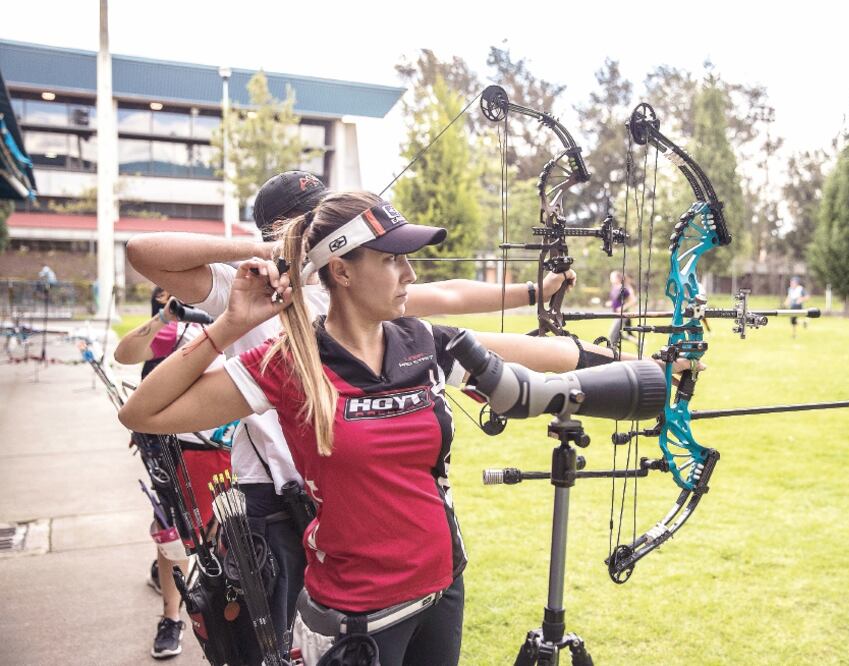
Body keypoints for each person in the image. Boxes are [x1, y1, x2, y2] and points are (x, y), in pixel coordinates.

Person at [119, 191, 699, 666]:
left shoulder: (424, 341)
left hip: (440, 586)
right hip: (357, 614)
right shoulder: (286, 364)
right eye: (393, 258)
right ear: (341, 270)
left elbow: (526, 362)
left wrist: (639, 371)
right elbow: (142, 412)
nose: (408, 272)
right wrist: (228, 325)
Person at [114, 289, 231, 660]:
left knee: (235, 540)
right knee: (175, 536)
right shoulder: (183, 329)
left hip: (242, 450)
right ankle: (171, 617)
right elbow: (124, 354)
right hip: (185, 450)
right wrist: (165, 317)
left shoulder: (254, 322)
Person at [605, 270, 637, 347]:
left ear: (618, 278)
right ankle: (638, 342)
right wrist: (611, 303)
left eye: (612, 277)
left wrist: (623, 307)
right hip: (616, 315)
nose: (610, 278)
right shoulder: (614, 287)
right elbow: (616, 300)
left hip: (622, 315)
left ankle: (612, 352)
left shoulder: (623, 288)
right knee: (618, 335)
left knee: (612, 334)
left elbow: (633, 300)